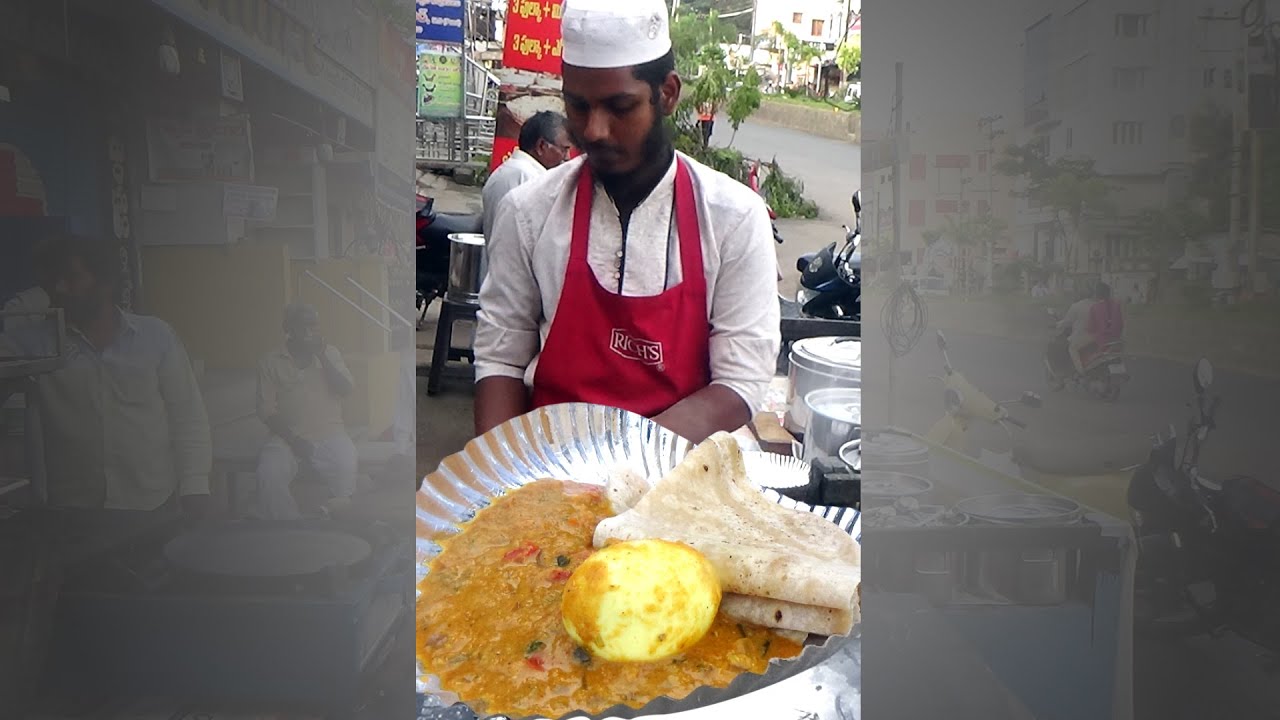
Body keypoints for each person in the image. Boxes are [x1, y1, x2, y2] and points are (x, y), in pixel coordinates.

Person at [473, 0, 781, 444]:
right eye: (578, 107)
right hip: (550, 470)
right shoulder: (529, 211)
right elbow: (501, 359)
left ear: (668, 94)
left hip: (677, 480)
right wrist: (495, 480)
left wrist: (616, 468)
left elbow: (740, 382)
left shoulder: (732, 217)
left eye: (619, 107)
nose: (594, 130)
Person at [0, 233, 212, 514]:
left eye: (72, 278)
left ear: (105, 283)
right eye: (55, 279)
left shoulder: (155, 336)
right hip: (70, 510)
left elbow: (187, 416)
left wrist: (195, 488)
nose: (60, 288)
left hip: (151, 503)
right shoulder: (32, 344)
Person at [254, 303, 358, 520]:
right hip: (287, 436)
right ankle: (289, 524)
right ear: (289, 328)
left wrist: (322, 358)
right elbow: (266, 411)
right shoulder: (270, 361)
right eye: (304, 326)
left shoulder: (330, 354)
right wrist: (294, 440)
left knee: (346, 464)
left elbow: (346, 389)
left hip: (330, 433)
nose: (311, 331)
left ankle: (328, 516)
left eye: (314, 325)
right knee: (268, 473)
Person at [481, 111, 572, 240]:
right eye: (564, 149)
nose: (567, 158)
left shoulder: (511, 171)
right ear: (541, 146)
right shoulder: (529, 179)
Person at [1056, 289, 1096, 376]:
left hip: (1084, 336)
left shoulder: (1076, 306)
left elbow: (1067, 321)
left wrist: (1058, 325)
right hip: (1098, 336)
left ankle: (1080, 371)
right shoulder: (1097, 305)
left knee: (1072, 348)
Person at [1087, 282, 1124, 349]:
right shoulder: (1116, 305)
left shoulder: (1094, 307)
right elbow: (1120, 325)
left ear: (1097, 294)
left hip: (1101, 344)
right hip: (1115, 342)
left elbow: (1091, 328)